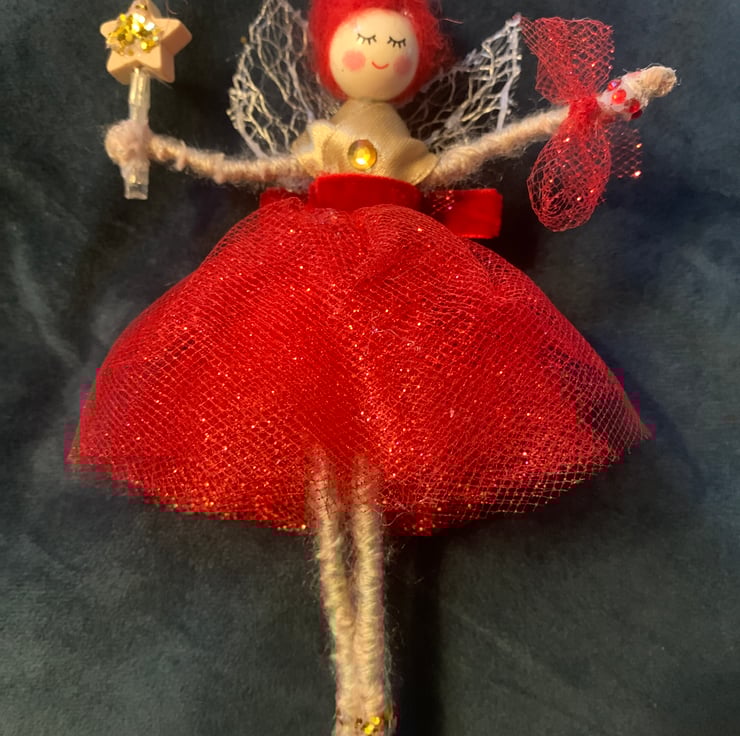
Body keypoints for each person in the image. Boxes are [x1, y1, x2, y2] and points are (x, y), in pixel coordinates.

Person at [74, 2, 675, 732]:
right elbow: (246, 169)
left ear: (418, 62)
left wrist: (592, 109)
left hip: (405, 293)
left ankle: (369, 702)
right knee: (327, 466)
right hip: (306, 290)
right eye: (365, 43)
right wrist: (160, 146)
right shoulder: (322, 138)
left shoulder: (412, 149)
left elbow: (491, 146)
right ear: (329, 56)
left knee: (371, 473)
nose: (381, 55)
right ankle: (355, 697)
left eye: (397, 45)